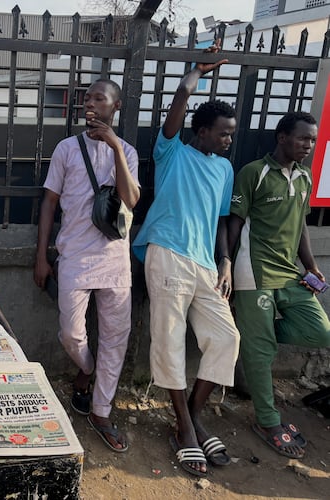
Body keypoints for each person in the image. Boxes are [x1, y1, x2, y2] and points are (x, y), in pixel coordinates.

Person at [132, 40, 240, 477]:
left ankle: (193, 416)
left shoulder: (225, 168)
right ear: (201, 131)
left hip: (206, 265)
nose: (229, 139)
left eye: (232, 132)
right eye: (223, 132)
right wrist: (197, 73)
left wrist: (226, 262)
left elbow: (219, 221)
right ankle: (184, 426)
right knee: (170, 340)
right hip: (168, 253)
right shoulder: (172, 150)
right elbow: (179, 103)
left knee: (227, 338)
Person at [34, 78, 140, 452]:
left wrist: (114, 147)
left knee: (116, 338)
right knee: (71, 333)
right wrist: (41, 255)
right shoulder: (66, 149)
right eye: (88, 98)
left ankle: (101, 410)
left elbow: (130, 200)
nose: (91, 103)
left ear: (116, 106)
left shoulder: (126, 150)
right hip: (74, 255)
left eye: (100, 98)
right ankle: (87, 368)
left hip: (114, 258)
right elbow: (49, 202)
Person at [228, 111, 330, 459]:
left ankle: (259, 340)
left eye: (313, 140)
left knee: (321, 331)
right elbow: (233, 223)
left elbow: (301, 224)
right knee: (259, 352)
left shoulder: (305, 177)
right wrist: (224, 266)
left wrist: (312, 267)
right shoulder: (253, 174)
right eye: (303, 138)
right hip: (252, 272)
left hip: (290, 274)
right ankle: (268, 421)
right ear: (282, 137)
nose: (308, 145)